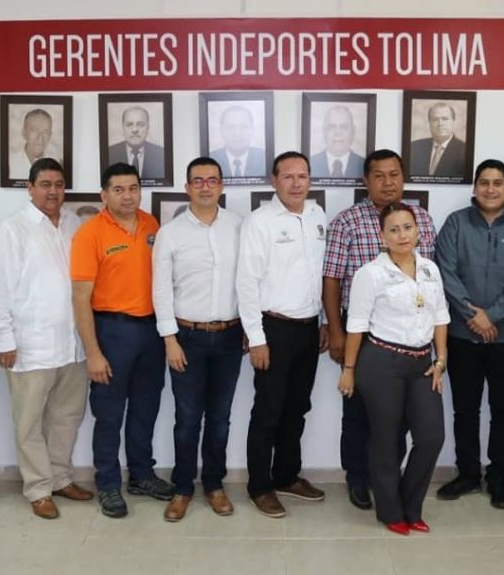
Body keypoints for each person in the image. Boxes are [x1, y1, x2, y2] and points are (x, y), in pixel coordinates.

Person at [322, 149, 437, 509]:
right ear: (366, 181)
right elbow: (332, 281)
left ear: (403, 177)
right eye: (378, 176)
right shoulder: (348, 221)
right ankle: (358, 477)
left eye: (394, 175)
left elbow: (431, 278)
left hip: (411, 336)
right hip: (364, 337)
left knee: (401, 416)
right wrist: (337, 333)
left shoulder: (422, 219)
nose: (387, 182)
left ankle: (387, 479)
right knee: (358, 413)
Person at [0, 158, 93, 520]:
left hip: (72, 344)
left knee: (66, 417)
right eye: (45, 184)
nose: (53, 191)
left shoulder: (75, 224)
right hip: (29, 346)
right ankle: (38, 488)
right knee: (29, 423)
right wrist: (5, 339)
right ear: (29, 188)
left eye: (59, 184)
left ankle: (60, 477)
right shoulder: (12, 231)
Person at [434, 159, 504, 509]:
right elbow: (445, 272)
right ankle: (467, 473)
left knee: (503, 410)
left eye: (497, 182)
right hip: (463, 337)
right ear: (475, 187)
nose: (490, 189)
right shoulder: (455, 224)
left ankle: (497, 474)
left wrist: (491, 315)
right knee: (464, 410)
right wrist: (471, 315)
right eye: (484, 182)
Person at [339, 203, 449, 536]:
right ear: (381, 236)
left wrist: (440, 360)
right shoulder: (370, 273)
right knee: (385, 439)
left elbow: (441, 317)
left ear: (418, 231)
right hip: (381, 362)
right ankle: (390, 511)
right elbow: (356, 326)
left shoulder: (430, 268)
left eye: (407, 227)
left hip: (422, 363)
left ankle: (411, 506)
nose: (402, 235)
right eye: (393, 229)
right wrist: (348, 369)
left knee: (431, 436)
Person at [71, 162, 172, 518]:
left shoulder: (151, 225)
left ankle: (141, 475)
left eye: (133, 188)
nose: (127, 195)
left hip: (151, 331)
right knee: (110, 414)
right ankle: (109, 483)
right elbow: (80, 297)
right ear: (104, 194)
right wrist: (93, 353)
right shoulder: (90, 234)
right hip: (112, 331)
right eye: (118, 189)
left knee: (146, 409)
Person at [236, 151, 328, 518]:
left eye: (302, 176)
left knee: (297, 409)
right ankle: (260, 486)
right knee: (268, 412)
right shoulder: (260, 222)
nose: (295, 183)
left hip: (308, 329)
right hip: (273, 329)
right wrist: (256, 337)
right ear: (273, 181)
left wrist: (323, 320)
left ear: (309, 179)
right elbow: (246, 282)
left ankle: (287, 476)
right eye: (287, 176)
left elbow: (320, 275)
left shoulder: (318, 216)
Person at [152, 157, 244, 522]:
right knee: (188, 418)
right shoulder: (171, 233)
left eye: (212, 180)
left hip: (230, 337)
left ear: (222, 185)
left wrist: (252, 332)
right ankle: (182, 488)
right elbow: (160, 290)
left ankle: (215, 484)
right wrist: (169, 339)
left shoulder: (238, 227)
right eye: (197, 181)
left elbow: (250, 282)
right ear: (187, 186)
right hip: (186, 337)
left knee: (220, 419)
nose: (205, 186)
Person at [409, 102, 469, 180]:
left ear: (453, 121)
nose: (440, 123)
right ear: (429, 123)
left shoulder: (464, 151)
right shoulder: (415, 147)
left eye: (445, 119)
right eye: (435, 119)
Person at [106, 106, 166, 180]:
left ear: (148, 127)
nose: (134, 130)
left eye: (140, 124)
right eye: (129, 124)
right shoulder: (110, 153)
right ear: (123, 127)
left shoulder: (161, 153)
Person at [211, 105, 267, 178]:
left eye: (243, 126)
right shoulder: (212, 158)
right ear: (221, 131)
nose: (237, 133)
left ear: (252, 130)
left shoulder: (264, 158)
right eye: (230, 127)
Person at [309, 105, 365, 179]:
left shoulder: (363, 164)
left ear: (353, 131)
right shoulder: (312, 162)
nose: (338, 132)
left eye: (344, 127)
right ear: (324, 131)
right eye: (331, 127)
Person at [10, 108, 56, 180]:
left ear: (50, 135)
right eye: (34, 130)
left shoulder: (58, 163)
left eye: (45, 132)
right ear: (24, 133)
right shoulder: (10, 163)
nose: (40, 138)